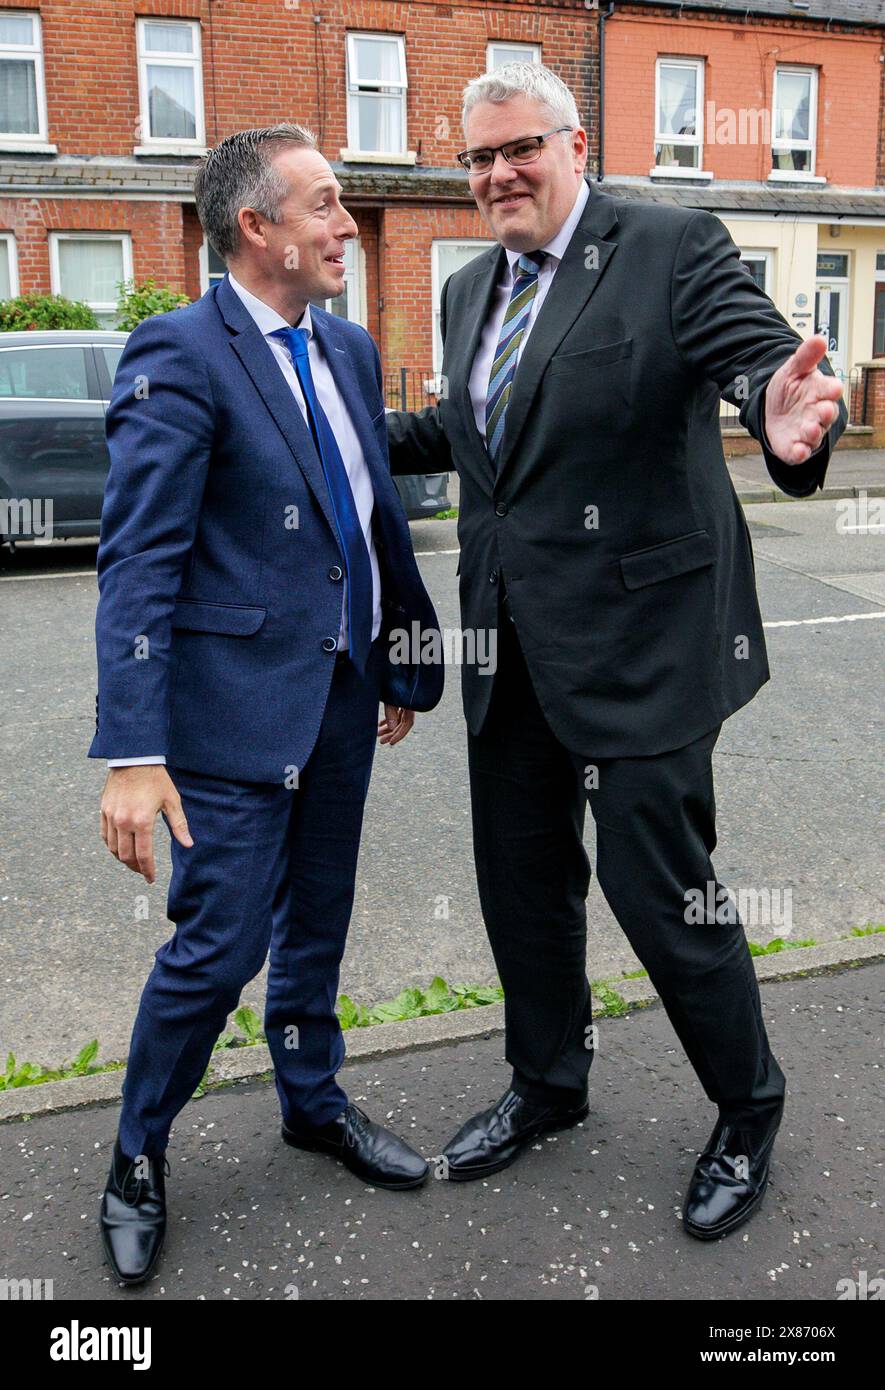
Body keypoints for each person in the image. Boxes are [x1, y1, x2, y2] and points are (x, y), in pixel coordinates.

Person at [386, 62, 847, 1239]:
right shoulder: (469, 290)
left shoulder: (671, 246)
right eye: (478, 160)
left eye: (518, 149)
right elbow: (477, 432)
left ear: (574, 143)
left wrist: (778, 415)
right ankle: (548, 1081)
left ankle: (749, 1108)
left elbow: (752, 355)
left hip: (642, 650)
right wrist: (342, 434)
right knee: (525, 890)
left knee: (666, 896)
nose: (497, 175)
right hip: (513, 650)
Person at [90, 123, 443, 1285]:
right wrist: (135, 747)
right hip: (228, 716)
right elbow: (139, 561)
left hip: (338, 699)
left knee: (318, 924)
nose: (349, 225)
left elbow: (363, 512)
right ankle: (137, 1152)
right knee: (219, 945)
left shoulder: (340, 350)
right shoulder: (178, 351)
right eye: (328, 205)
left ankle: (312, 1101)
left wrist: (392, 657)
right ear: (258, 229)